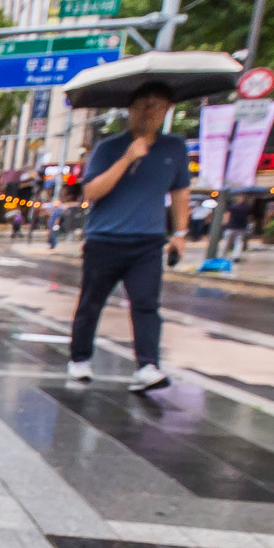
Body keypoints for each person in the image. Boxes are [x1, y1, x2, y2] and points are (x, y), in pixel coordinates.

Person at [67, 81, 189, 393]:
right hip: (104, 240)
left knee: (146, 304)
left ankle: (147, 366)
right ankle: (80, 359)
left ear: (168, 110)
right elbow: (92, 191)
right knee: (91, 303)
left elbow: (180, 192)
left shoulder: (174, 148)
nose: (150, 112)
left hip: (148, 241)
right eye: (143, 105)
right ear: (130, 110)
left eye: (157, 106)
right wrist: (127, 158)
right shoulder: (108, 148)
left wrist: (180, 233)